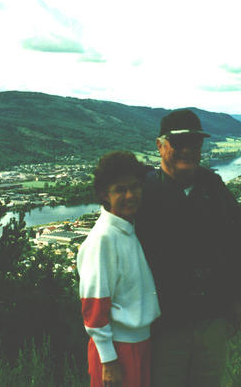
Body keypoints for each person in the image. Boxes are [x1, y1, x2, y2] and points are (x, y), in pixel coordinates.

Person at [135, 109, 241, 387]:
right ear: (159, 146)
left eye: (195, 143)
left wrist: (239, 299)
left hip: (212, 316)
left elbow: (238, 243)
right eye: (179, 143)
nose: (188, 150)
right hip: (165, 323)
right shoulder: (143, 194)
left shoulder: (213, 186)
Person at [77, 151, 161, 387]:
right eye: (120, 189)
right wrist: (109, 360)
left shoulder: (126, 229)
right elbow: (93, 306)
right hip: (118, 351)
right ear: (105, 194)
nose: (130, 195)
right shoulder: (103, 239)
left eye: (135, 187)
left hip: (139, 344)